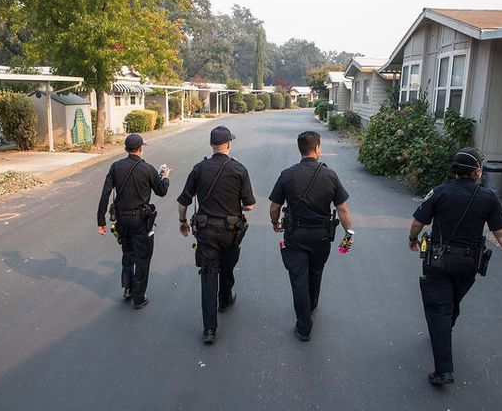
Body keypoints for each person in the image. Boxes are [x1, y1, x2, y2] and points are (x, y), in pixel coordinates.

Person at [408, 147, 502, 386]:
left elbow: (417, 222)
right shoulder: (488, 197)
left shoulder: (440, 193)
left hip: (439, 261)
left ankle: (443, 369)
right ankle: (441, 331)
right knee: (451, 305)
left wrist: (413, 239)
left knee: (440, 309)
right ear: (476, 171)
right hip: (468, 265)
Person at [268, 131, 353, 342]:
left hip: (295, 234)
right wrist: (348, 233)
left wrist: (275, 222)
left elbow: (274, 206)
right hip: (321, 236)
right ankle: (312, 303)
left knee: (298, 278)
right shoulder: (330, 175)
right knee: (316, 271)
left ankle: (304, 327)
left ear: (301, 149)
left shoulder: (287, 175)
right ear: (317, 148)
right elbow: (342, 209)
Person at [178, 126, 256, 344]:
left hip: (206, 233)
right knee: (228, 266)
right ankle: (225, 300)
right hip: (231, 232)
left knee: (208, 275)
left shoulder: (199, 169)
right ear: (229, 144)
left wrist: (183, 222)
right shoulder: (239, 170)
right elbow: (250, 205)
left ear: (212, 145)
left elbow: (183, 201)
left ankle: (209, 330)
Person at [97, 133, 170, 309]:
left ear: (126, 149)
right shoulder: (148, 169)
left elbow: (105, 194)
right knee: (143, 257)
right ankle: (139, 297)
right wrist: (165, 177)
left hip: (122, 220)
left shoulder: (116, 167)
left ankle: (128, 289)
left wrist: (101, 221)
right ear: (140, 149)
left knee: (128, 253)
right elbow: (161, 191)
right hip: (141, 221)